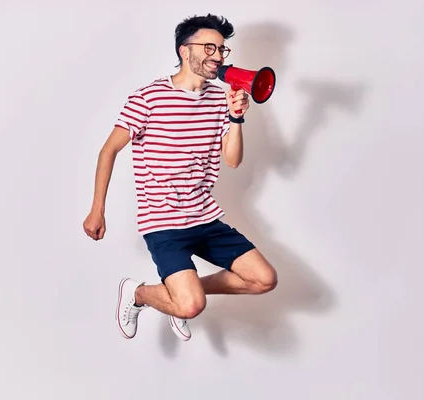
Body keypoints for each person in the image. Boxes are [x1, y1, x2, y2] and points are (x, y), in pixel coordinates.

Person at [83, 13, 278, 341]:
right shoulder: (148, 98)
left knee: (263, 279)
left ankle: (177, 292)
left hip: (204, 217)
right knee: (190, 307)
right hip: (163, 223)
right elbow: (108, 150)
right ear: (184, 51)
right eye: (209, 48)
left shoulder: (220, 100)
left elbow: (232, 160)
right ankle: (139, 294)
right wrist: (97, 209)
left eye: (221, 49)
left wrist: (235, 117)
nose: (217, 56)